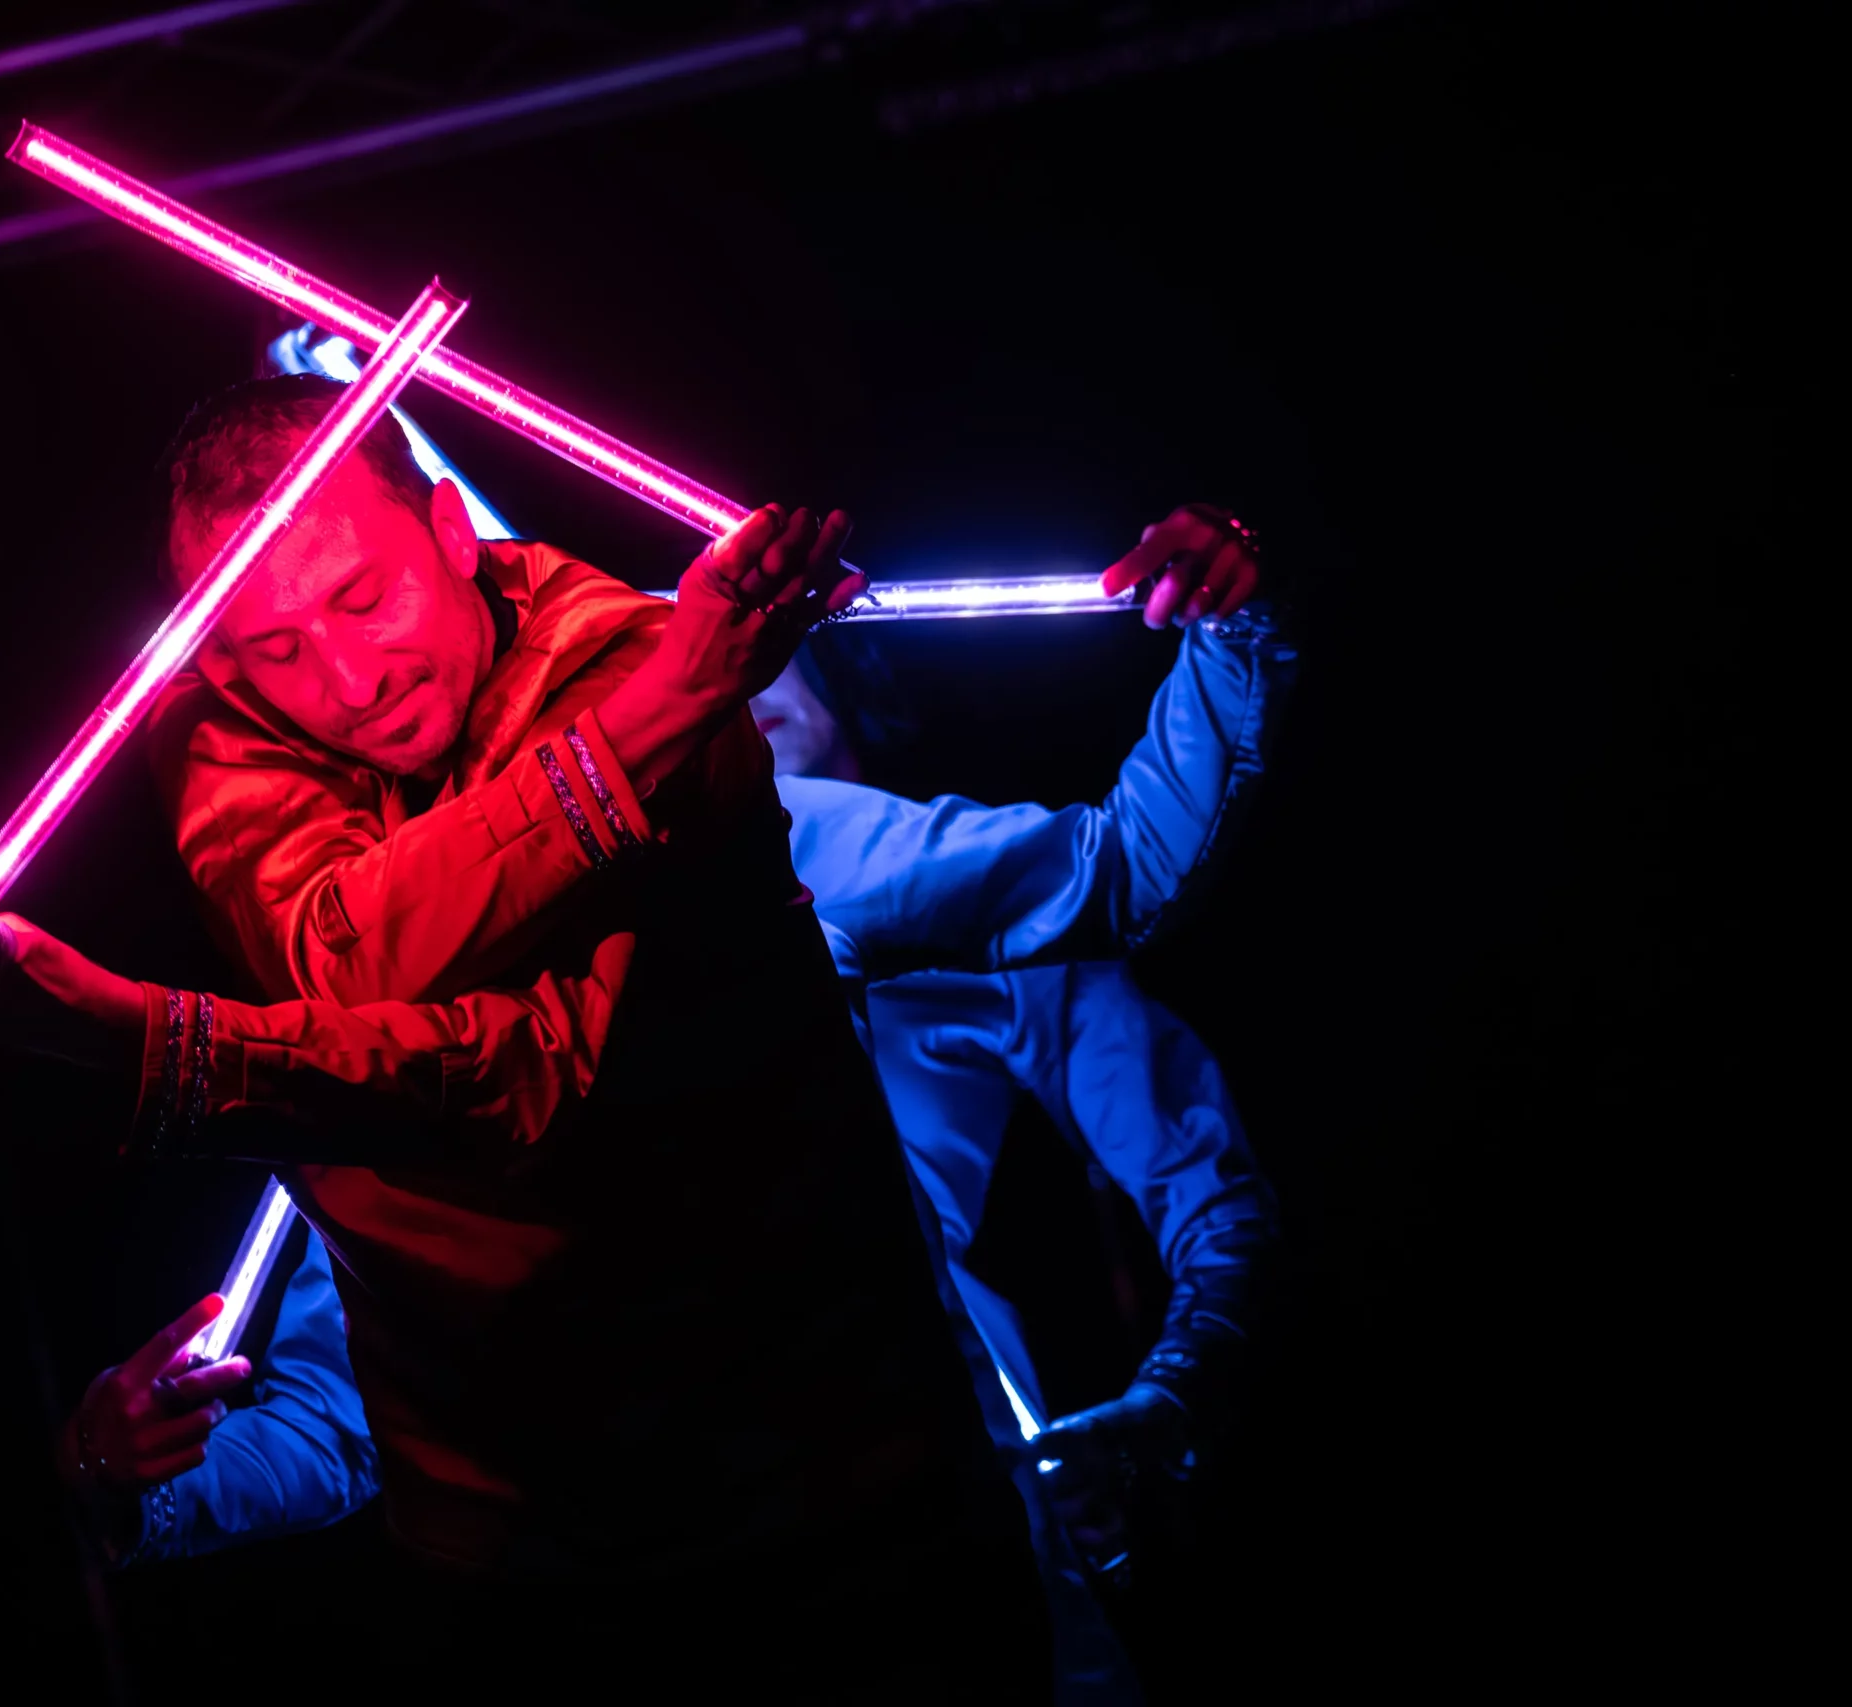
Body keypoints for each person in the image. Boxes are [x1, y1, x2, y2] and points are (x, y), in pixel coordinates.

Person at [0, 374, 1262, 1686]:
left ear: (451, 536)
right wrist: (122, 1483)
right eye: (278, 649)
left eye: (363, 597)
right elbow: (345, 1406)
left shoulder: (764, 809)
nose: (349, 682)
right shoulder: (311, 920)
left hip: (851, 1530)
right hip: (538, 1604)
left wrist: (1236, 627)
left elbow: (518, 1082)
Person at [67, 615, 1289, 1705]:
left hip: (917, 1533)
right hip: (619, 1601)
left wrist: (1175, 1395)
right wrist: (127, 1484)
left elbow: (1202, 1158)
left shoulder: (895, 882)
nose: (703, 694)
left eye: (735, 666)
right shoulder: (452, 985)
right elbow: (349, 1409)